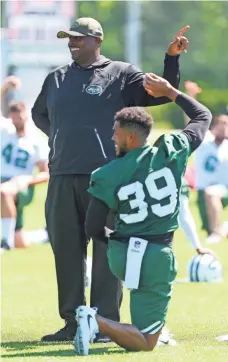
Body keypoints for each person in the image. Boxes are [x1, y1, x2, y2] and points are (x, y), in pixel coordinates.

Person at [32, 16, 190, 342]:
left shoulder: (120, 73)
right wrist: (60, 137)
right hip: (62, 176)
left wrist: (171, 59)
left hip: (106, 179)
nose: (72, 43)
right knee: (66, 251)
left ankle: (103, 324)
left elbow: (159, 94)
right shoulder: (57, 78)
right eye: (69, 38)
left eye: (78, 38)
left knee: (106, 251)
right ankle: (73, 323)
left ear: (97, 40)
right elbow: (39, 114)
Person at [73, 73, 212, 355]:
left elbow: (92, 227)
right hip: (156, 253)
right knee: (146, 342)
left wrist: (115, 240)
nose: (112, 135)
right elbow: (202, 116)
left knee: (146, 314)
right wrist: (171, 91)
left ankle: (148, 324)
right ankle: (96, 321)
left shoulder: (107, 173)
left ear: (130, 136)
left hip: (123, 254)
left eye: (116, 131)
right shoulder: (170, 150)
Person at [1, 102, 49, 250]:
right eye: (13, 118)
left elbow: (47, 173)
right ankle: (44, 235)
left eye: (19, 118)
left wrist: (28, 179)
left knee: (4, 192)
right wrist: (5, 89)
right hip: (3, 179)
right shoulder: (5, 133)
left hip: (22, 184)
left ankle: (6, 243)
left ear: (26, 116)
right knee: (20, 241)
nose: (16, 122)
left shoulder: (36, 141)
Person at [194, 114, 228, 243]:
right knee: (206, 228)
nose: (224, 128)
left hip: (224, 189)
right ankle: (220, 230)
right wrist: (191, 97)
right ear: (214, 127)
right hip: (203, 191)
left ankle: (216, 233)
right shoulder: (204, 141)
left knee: (212, 193)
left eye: (227, 125)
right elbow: (193, 121)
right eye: (222, 124)